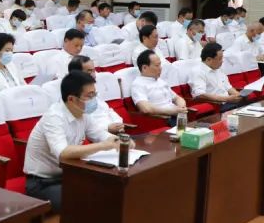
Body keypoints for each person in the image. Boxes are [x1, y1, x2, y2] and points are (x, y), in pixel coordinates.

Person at [24, 71, 121, 212]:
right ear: (71, 99)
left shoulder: (83, 114)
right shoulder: (54, 117)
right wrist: (103, 146)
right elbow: (63, 153)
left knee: (109, 189)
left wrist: (120, 141)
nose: (94, 99)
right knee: (84, 200)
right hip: (42, 182)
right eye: (90, 96)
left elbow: (101, 135)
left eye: (95, 94)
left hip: (70, 175)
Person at [67, 55, 125, 134]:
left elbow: (108, 110)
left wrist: (118, 123)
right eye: (89, 72)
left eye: (94, 71)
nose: (94, 75)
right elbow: (83, 124)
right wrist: (107, 128)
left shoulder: (93, 90)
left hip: (112, 132)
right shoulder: (73, 98)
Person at [130, 51, 186, 123]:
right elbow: (146, 109)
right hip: (163, 119)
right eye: (157, 65)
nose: (160, 68)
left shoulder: (160, 81)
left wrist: (181, 108)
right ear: (144, 67)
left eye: (160, 65)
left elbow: (177, 98)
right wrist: (171, 111)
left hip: (177, 115)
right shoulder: (138, 84)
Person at [188, 42, 242, 111]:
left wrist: (238, 95)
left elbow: (228, 87)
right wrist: (227, 99)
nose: (222, 61)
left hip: (228, 103)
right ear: (208, 59)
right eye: (220, 59)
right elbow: (200, 94)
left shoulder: (218, 69)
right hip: (216, 106)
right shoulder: (197, 72)